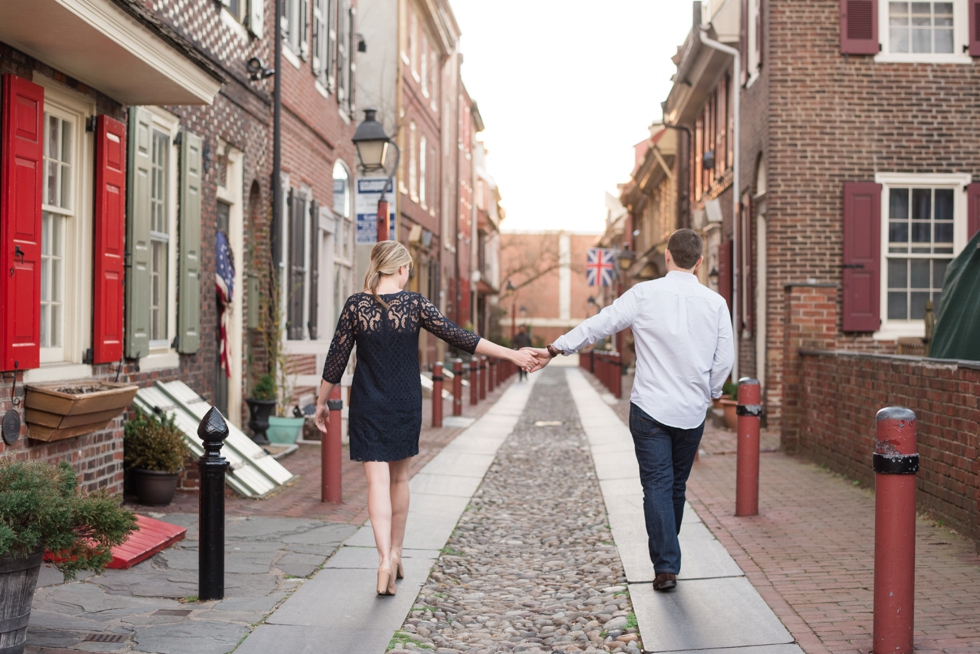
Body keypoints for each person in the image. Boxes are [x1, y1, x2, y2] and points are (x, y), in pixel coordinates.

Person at [315, 241, 535, 597]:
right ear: (402, 269)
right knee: (400, 480)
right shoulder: (415, 304)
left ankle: (384, 558)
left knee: (376, 484)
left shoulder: (356, 305)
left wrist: (321, 402)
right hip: (404, 402)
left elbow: (335, 359)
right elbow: (461, 337)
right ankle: (398, 552)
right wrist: (511, 354)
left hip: (368, 402)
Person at [524, 229, 733, 591]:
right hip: (691, 411)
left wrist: (556, 349)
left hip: (650, 407)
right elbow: (724, 359)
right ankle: (668, 557)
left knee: (656, 485)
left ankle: (665, 565)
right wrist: (710, 392)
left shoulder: (643, 294)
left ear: (667, 256)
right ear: (700, 261)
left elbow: (598, 326)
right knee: (675, 486)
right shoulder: (716, 304)